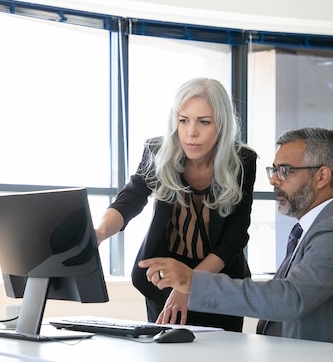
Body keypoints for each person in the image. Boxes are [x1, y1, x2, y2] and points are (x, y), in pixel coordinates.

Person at [140, 127, 333, 347]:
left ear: (322, 176)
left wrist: (193, 282)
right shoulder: (316, 227)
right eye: (273, 170)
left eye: (284, 171)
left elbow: (289, 299)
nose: (274, 180)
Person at [94, 77, 257, 332]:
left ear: (222, 124)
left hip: (217, 285)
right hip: (162, 281)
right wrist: (100, 232)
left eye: (204, 122)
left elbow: (235, 236)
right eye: (184, 121)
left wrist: (191, 284)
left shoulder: (242, 161)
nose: (191, 132)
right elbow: (131, 198)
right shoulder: (159, 151)